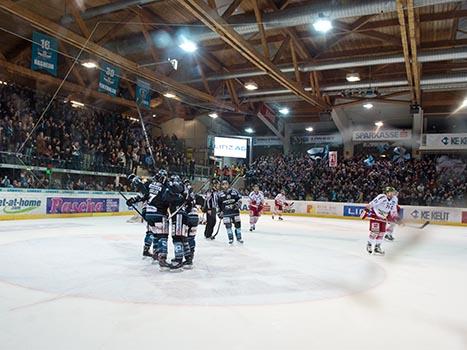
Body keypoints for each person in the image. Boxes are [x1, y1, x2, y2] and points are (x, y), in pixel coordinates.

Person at [126, 170, 171, 269]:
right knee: (162, 235)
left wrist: (133, 200)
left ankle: (152, 251)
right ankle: (161, 256)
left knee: (152, 232)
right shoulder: (165, 187)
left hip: (147, 212)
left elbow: (144, 194)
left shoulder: (149, 184)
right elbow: (168, 199)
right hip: (158, 212)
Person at [361, 186, 399, 256]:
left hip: (384, 217)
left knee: (382, 233)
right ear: (387, 193)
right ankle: (369, 244)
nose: (392, 193)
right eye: (391, 192)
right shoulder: (382, 197)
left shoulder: (395, 199)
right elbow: (372, 203)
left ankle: (377, 248)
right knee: (375, 232)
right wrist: (365, 211)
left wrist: (396, 218)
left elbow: (393, 210)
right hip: (375, 215)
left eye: (393, 192)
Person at [217, 180, 243, 244]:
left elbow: (239, 199)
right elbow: (218, 205)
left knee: (238, 225)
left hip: (235, 212)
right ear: (222, 186)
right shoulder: (220, 194)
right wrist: (219, 213)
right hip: (226, 213)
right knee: (228, 226)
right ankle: (230, 238)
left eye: (226, 184)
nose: (225, 186)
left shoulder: (234, 191)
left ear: (228, 184)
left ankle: (239, 238)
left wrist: (238, 204)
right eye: (223, 184)